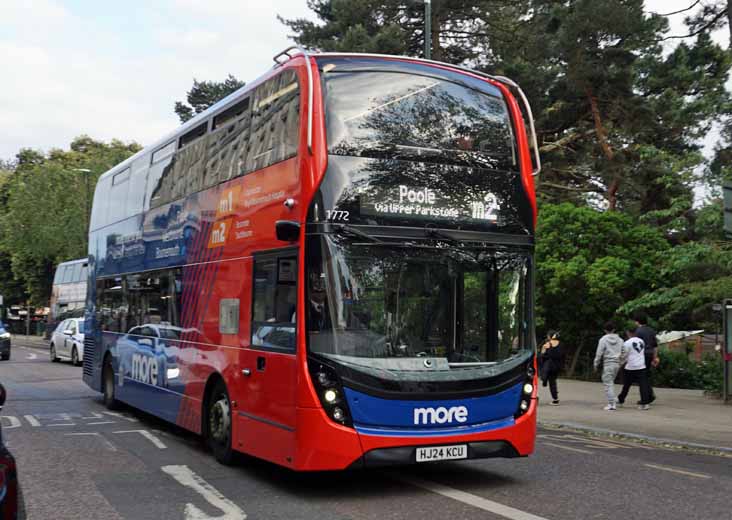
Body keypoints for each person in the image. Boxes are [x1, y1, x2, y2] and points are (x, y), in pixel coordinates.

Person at [616, 327, 652, 410]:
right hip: (641, 366)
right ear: (636, 332)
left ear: (628, 332)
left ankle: (621, 400)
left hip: (631, 366)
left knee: (627, 385)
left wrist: (620, 364)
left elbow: (624, 356)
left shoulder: (627, 343)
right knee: (643, 385)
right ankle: (645, 403)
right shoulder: (641, 341)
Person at [593, 321, 624, 411]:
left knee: (608, 384)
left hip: (608, 363)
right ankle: (612, 401)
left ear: (605, 330)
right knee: (610, 383)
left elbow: (599, 353)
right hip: (617, 364)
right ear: (614, 329)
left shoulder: (603, 339)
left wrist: (596, 364)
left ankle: (611, 404)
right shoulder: (620, 340)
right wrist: (621, 361)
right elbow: (625, 351)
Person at [634, 312, 659, 404]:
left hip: (642, 355)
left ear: (637, 322)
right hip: (650, 354)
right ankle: (649, 395)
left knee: (642, 377)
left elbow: (636, 345)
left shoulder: (638, 331)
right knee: (646, 375)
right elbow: (655, 346)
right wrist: (655, 358)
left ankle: (646, 397)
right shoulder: (651, 331)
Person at [539, 331, 562, 405]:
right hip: (557, 366)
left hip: (548, 366)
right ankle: (555, 398)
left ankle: (544, 381)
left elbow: (542, 355)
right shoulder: (560, 344)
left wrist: (543, 350)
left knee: (547, 379)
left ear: (549, 336)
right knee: (553, 382)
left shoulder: (547, 344)